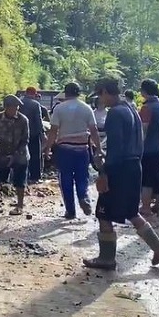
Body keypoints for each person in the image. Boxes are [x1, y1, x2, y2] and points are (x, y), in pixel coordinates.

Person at [83, 77, 159, 271]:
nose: (100, 100)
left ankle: (106, 258)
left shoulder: (115, 113)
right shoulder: (132, 109)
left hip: (119, 168)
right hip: (134, 167)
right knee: (132, 212)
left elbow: (116, 148)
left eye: (100, 95)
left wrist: (104, 172)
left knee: (103, 213)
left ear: (106, 91)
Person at [44, 82, 102, 219]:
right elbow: (93, 131)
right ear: (79, 93)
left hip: (64, 150)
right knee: (82, 177)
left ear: (66, 93)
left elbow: (53, 131)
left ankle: (70, 211)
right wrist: (98, 149)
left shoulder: (59, 109)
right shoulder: (86, 108)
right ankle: (83, 197)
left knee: (66, 179)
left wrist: (47, 148)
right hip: (82, 149)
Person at [0, 95, 30, 216]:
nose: (15, 110)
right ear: (6, 107)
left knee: (20, 180)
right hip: (2, 152)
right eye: (13, 107)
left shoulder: (23, 120)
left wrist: (14, 156)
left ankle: (19, 206)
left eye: (17, 107)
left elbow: (25, 140)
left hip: (20, 154)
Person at [138, 79, 159, 216]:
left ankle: (145, 206)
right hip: (158, 147)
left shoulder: (146, 108)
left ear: (144, 91)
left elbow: (143, 130)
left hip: (147, 148)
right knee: (157, 175)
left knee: (147, 178)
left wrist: (138, 147)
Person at [20, 87, 46, 184]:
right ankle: (35, 177)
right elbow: (38, 121)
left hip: (20, 134)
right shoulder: (35, 104)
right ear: (34, 94)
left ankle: (21, 176)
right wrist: (42, 134)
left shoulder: (19, 102)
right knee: (35, 155)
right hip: (33, 134)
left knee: (21, 154)